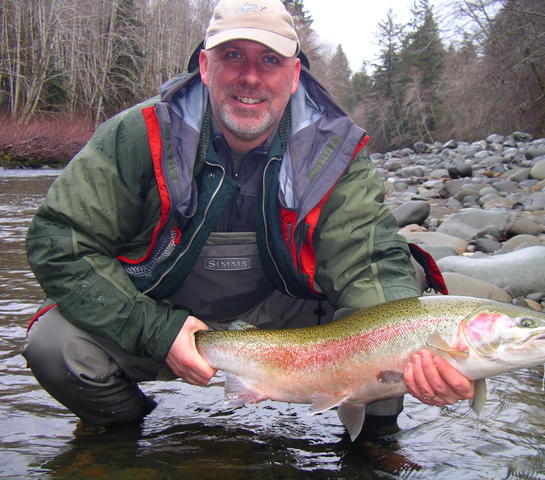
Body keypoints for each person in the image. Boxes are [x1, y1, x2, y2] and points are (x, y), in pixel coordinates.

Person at [23, 0, 473, 436]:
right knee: (55, 347)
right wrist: (157, 330)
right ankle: (125, 440)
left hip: (290, 320)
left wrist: (411, 356)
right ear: (204, 66)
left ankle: (374, 446)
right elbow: (61, 241)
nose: (251, 76)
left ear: (294, 75)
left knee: (400, 291)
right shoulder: (138, 134)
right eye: (233, 55)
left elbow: (368, 260)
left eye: (270, 60)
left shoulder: (330, 150)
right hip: (163, 311)